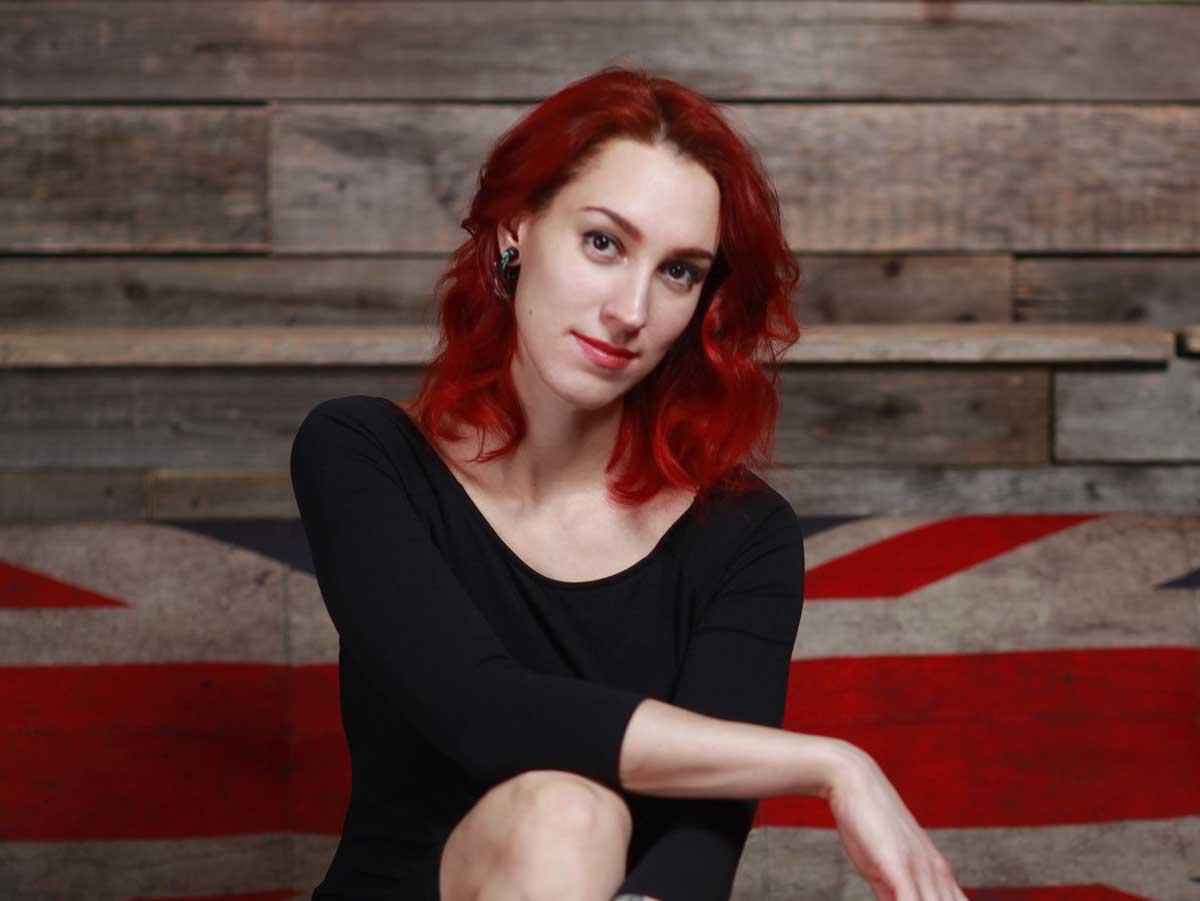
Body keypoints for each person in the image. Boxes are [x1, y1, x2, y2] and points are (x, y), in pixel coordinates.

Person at [290, 66, 967, 901]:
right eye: (604, 243)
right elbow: (483, 710)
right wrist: (834, 764)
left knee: (574, 821)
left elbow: (697, 848)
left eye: (679, 270)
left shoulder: (744, 535)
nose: (632, 311)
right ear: (515, 229)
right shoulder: (363, 453)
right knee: (564, 812)